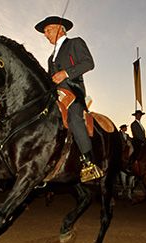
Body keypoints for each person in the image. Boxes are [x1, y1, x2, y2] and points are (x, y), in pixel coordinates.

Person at [34, 15, 103, 182]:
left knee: (74, 119)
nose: (46, 34)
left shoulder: (75, 43)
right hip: (55, 95)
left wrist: (66, 73)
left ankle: (89, 162)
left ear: (59, 29)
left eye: (48, 30)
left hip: (73, 92)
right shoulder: (50, 58)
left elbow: (89, 63)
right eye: (45, 32)